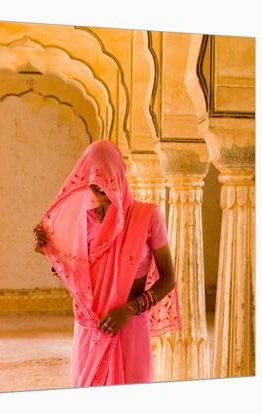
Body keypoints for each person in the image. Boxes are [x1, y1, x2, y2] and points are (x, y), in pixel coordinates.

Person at [33, 140, 181, 386]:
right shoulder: (82, 220)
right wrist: (47, 250)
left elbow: (168, 279)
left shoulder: (147, 216)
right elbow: (79, 277)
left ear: (120, 177)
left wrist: (130, 309)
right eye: (94, 187)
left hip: (130, 325)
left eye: (106, 186)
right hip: (90, 329)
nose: (102, 195)